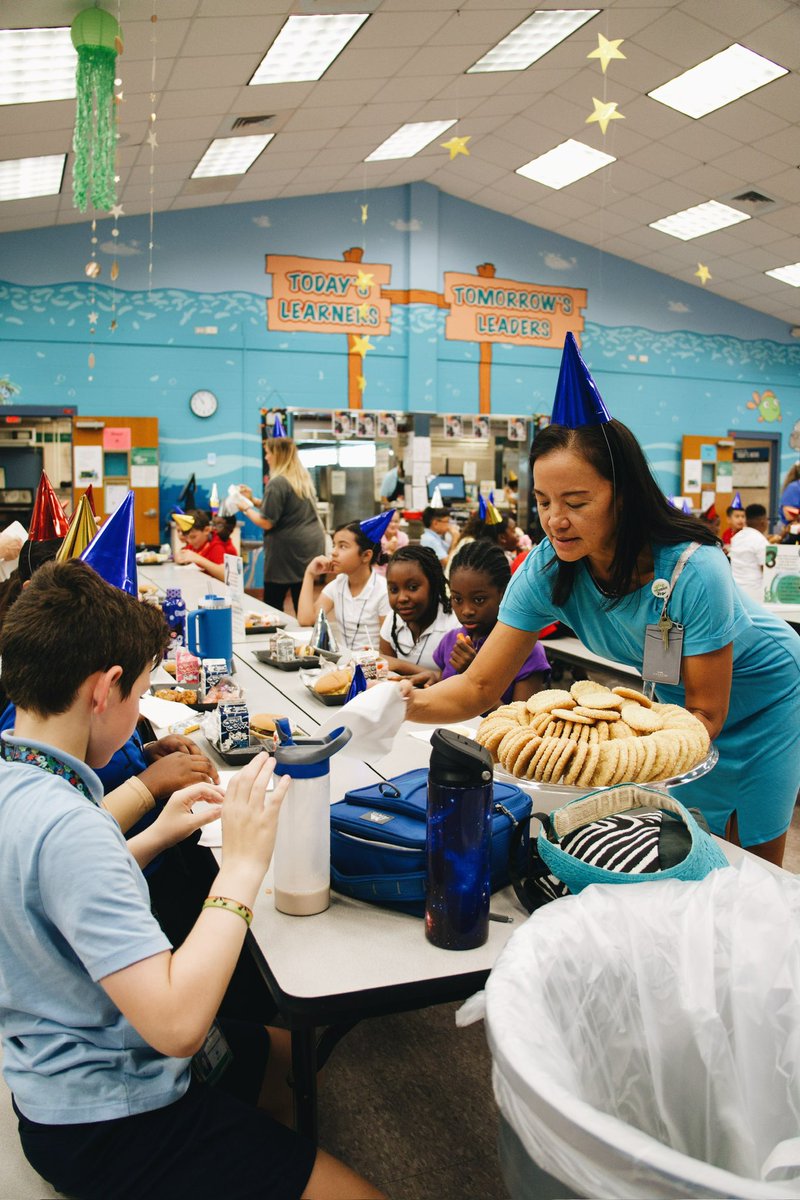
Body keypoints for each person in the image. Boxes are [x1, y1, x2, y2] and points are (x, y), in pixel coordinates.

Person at [0, 559, 383, 1200]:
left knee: (288, 1061)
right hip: (113, 1116)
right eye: (137, 694)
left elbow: (49, 889)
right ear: (105, 689)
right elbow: (177, 1025)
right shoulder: (74, 828)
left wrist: (154, 835)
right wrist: (243, 865)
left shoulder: (22, 779)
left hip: (49, 1080)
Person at [404, 335, 800, 867]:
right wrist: (401, 704)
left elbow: (706, 711)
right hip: (670, 705)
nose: (555, 521)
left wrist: (614, 760)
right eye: (543, 501)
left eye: (576, 501)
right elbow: (478, 686)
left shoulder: (693, 569)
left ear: (624, 494)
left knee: (750, 856)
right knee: (683, 846)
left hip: (764, 693)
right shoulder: (547, 569)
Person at [433, 540, 550, 708]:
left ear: (504, 593)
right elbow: (443, 697)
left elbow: (521, 720)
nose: (466, 610)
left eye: (479, 600)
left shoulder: (526, 650)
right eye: (457, 599)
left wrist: (473, 677)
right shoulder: (451, 640)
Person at [236, 438, 325, 613]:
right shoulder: (300, 479)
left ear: (278, 455)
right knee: (302, 598)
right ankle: (306, 627)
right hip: (308, 547)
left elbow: (267, 522)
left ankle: (274, 628)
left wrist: (245, 508)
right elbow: (283, 509)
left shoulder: (277, 483)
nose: (266, 457)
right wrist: (253, 500)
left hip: (287, 552)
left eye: (268, 453)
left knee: (273, 601)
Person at [298, 520, 390, 651]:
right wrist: (309, 574)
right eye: (334, 545)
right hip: (345, 660)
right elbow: (306, 620)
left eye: (342, 546)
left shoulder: (383, 591)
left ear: (366, 555)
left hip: (373, 661)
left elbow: (389, 649)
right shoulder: (338, 584)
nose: (333, 552)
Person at [378, 545, 459, 686]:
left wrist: (400, 665)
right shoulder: (393, 619)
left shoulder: (454, 626)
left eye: (412, 587)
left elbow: (457, 683)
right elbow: (387, 673)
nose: (402, 598)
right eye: (394, 589)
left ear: (433, 585)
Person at [174, 509, 238, 583]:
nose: (189, 541)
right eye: (187, 537)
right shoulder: (194, 544)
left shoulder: (216, 546)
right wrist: (179, 557)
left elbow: (227, 576)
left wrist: (198, 559)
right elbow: (181, 555)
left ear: (206, 530)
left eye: (193, 537)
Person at [729, 503, 769, 602]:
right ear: (763, 521)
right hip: (755, 594)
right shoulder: (761, 541)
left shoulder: (736, 538)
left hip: (736, 592)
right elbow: (767, 570)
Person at [374, 506, 409, 576]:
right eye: (390, 521)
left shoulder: (403, 537)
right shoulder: (377, 537)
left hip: (398, 572)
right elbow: (373, 561)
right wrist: (386, 547)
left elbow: (405, 559)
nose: (393, 525)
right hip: (379, 573)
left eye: (396, 521)